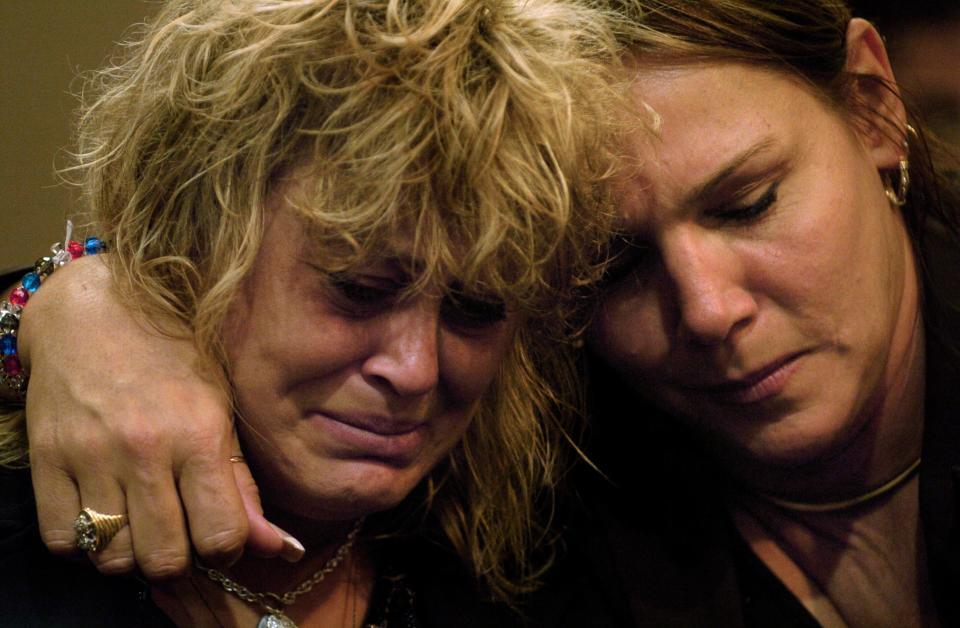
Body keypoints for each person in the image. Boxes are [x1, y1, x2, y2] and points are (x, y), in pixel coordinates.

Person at [11, 0, 960, 626]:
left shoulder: (506, 515)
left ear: (874, 107)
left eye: (748, 203)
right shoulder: (557, 474)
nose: (706, 310)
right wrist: (78, 299)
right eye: (615, 263)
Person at [0, 0, 628, 625]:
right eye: (359, 289)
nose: (416, 371)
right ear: (202, 242)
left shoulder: (555, 556)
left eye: (477, 308)